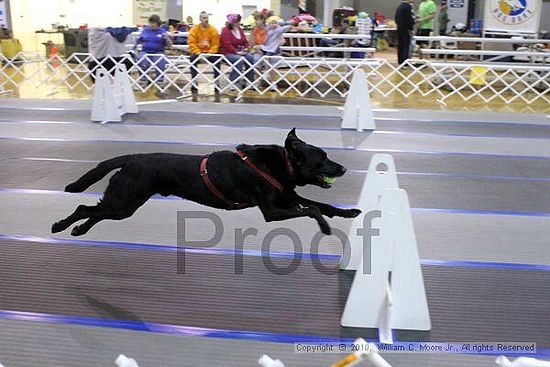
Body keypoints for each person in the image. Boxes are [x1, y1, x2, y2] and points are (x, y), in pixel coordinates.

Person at [188, 11, 220, 92]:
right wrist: (199, 53)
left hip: (210, 53)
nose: (206, 20)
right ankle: (194, 81)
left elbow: (215, 45)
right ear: (200, 19)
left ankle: (217, 81)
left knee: (217, 59)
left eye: (207, 18)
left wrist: (209, 53)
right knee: (192, 59)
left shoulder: (213, 30)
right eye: (204, 18)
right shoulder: (194, 30)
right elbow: (192, 43)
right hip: (198, 53)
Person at [134, 14, 172, 84]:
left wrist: (167, 38)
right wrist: (138, 40)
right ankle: (143, 78)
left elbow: (170, 46)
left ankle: (160, 79)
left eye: (153, 23)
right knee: (142, 59)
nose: (151, 24)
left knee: (160, 61)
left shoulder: (162, 32)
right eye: (150, 23)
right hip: (145, 51)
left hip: (158, 52)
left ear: (158, 23)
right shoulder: (145, 31)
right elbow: (138, 41)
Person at [219, 14, 255, 85]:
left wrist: (246, 48)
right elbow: (227, 44)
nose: (239, 23)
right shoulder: (225, 31)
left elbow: (244, 41)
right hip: (228, 52)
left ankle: (249, 80)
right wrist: (237, 52)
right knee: (239, 60)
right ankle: (233, 81)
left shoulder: (240, 30)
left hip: (240, 50)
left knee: (250, 57)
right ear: (233, 22)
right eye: (238, 21)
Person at [395, 0, 415, 64]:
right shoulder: (408, 7)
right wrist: (412, 23)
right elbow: (409, 19)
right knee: (406, 46)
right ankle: (405, 62)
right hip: (406, 29)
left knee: (401, 45)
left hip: (399, 29)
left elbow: (396, 18)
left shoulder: (399, 7)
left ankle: (400, 61)